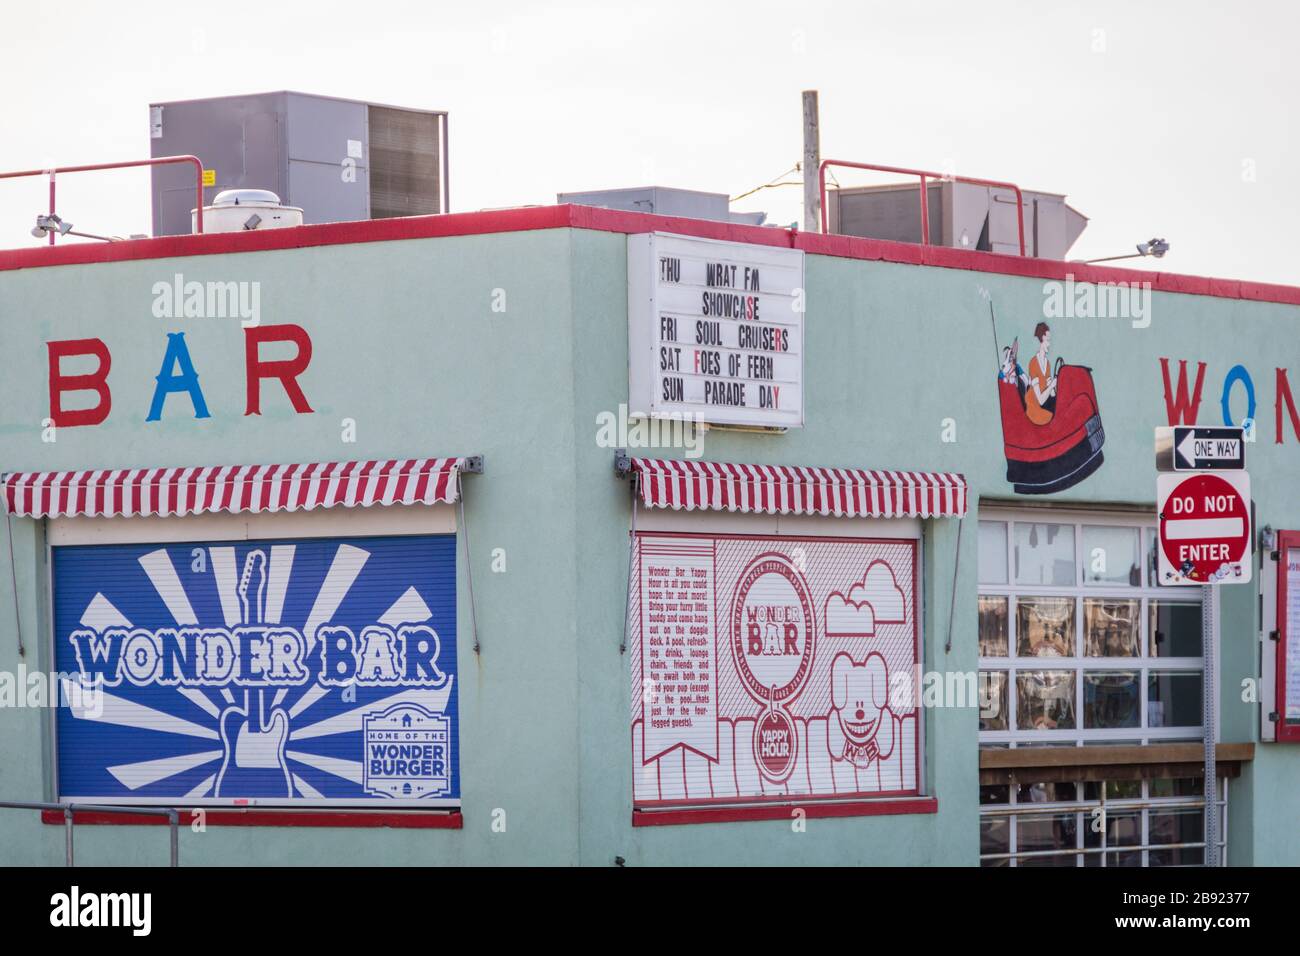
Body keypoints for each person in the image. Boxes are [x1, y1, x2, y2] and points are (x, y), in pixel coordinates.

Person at [1024, 322, 1057, 425]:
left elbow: (1051, 395)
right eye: (1048, 340)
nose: (1049, 344)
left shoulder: (1047, 364)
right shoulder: (1033, 363)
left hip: (1044, 403)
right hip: (1035, 409)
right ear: (1042, 339)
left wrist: (1052, 387)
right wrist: (1051, 385)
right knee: (1054, 414)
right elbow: (1041, 401)